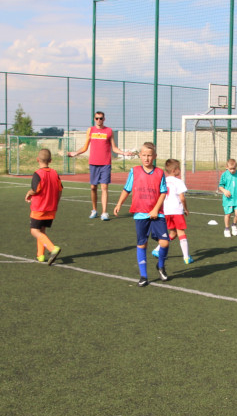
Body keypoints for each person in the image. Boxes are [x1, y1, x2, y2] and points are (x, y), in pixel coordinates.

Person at [113, 142, 170, 287]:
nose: (147, 158)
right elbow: (127, 189)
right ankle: (143, 276)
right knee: (142, 244)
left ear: (155, 156)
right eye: (144, 155)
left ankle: (161, 266)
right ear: (140, 156)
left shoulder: (159, 173)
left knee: (164, 242)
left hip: (157, 214)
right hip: (140, 214)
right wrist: (119, 203)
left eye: (150, 155)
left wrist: (156, 209)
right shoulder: (134, 171)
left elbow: (163, 193)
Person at [67, 111, 133, 221]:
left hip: (105, 164)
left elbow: (114, 148)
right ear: (94, 119)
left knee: (104, 187)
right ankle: (94, 209)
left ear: (104, 119)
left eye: (101, 118)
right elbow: (85, 147)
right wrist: (75, 153)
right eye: (97, 118)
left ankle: (104, 212)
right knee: (93, 187)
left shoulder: (109, 131)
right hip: (93, 163)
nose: (99, 120)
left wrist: (124, 153)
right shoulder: (90, 130)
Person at [25, 148, 63, 265]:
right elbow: (60, 189)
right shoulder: (55, 173)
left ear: (37, 159)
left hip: (39, 207)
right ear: (50, 160)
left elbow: (36, 189)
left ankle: (52, 248)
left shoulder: (38, 174)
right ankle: (40, 255)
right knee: (42, 230)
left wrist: (28, 193)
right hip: (51, 208)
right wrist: (56, 202)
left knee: (34, 231)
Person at [152, 158, 193, 264]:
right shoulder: (178, 182)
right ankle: (186, 257)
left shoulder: (164, 181)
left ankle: (157, 250)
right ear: (174, 170)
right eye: (179, 168)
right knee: (181, 232)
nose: (180, 170)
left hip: (166, 211)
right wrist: (186, 208)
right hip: (176, 211)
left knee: (173, 233)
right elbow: (182, 197)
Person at [218, 158, 237, 237]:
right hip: (228, 199)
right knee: (228, 214)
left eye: (234, 168)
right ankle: (226, 228)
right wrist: (225, 191)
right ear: (227, 167)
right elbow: (220, 186)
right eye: (230, 169)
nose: (232, 170)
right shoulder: (224, 175)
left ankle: (234, 225)